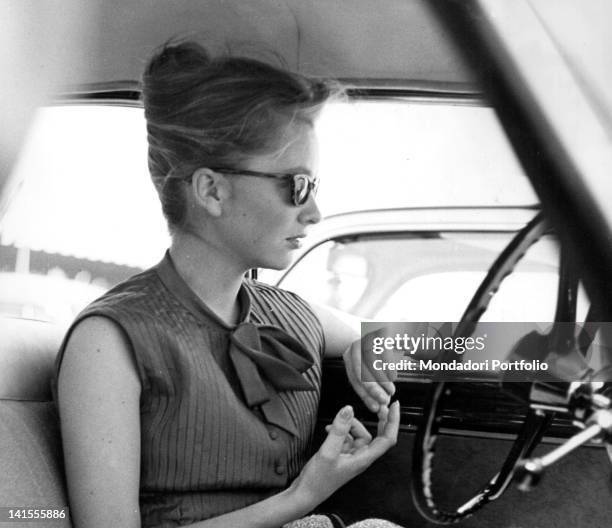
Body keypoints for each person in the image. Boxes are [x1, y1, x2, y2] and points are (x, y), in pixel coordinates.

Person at [54, 41, 400, 528]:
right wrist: (304, 496)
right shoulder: (109, 342)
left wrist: (374, 340)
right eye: (296, 186)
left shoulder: (292, 314)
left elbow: (412, 341)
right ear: (212, 190)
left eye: (313, 188)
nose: (315, 213)